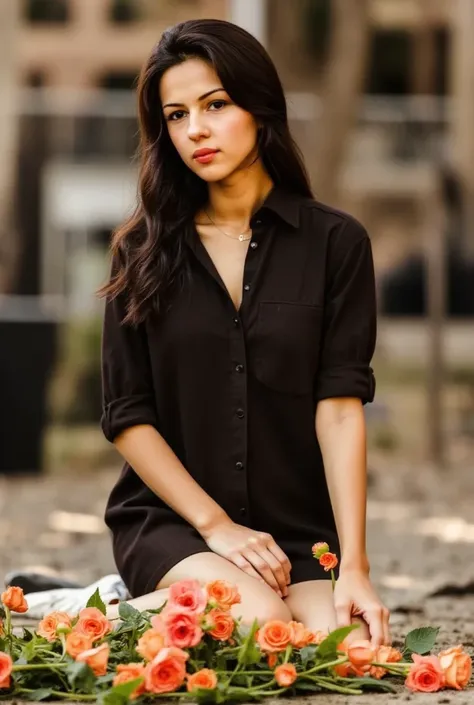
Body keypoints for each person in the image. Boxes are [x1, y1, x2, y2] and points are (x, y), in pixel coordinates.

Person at [97, 17, 389, 644]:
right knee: (257, 619)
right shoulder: (141, 252)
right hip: (177, 523)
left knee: (347, 650)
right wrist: (216, 526)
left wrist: (356, 568)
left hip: (293, 530)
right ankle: (84, 614)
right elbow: (128, 416)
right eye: (176, 115)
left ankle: (143, 606)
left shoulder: (337, 244)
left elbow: (338, 410)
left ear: (260, 106)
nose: (195, 129)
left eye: (216, 104)